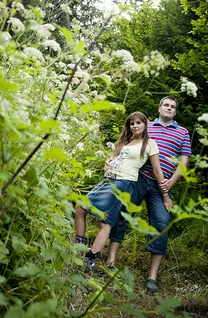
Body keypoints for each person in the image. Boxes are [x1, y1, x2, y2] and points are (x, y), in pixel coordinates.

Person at [107, 96, 191, 293]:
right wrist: (111, 160)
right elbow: (126, 143)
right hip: (137, 179)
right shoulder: (146, 126)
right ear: (159, 108)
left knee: (161, 225)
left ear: (175, 112)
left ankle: (152, 277)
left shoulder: (182, 132)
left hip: (163, 185)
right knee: (122, 215)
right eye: (166, 105)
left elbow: (184, 161)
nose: (169, 108)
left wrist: (171, 182)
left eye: (173, 107)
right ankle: (110, 261)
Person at [73, 111, 165, 271]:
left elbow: (157, 170)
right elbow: (112, 160)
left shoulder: (150, 143)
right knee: (80, 208)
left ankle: (90, 258)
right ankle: (78, 246)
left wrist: (165, 194)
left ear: (145, 125)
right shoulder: (126, 141)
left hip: (124, 183)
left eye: (139, 123)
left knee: (106, 221)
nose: (135, 126)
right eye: (132, 123)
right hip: (108, 180)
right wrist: (107, 163)